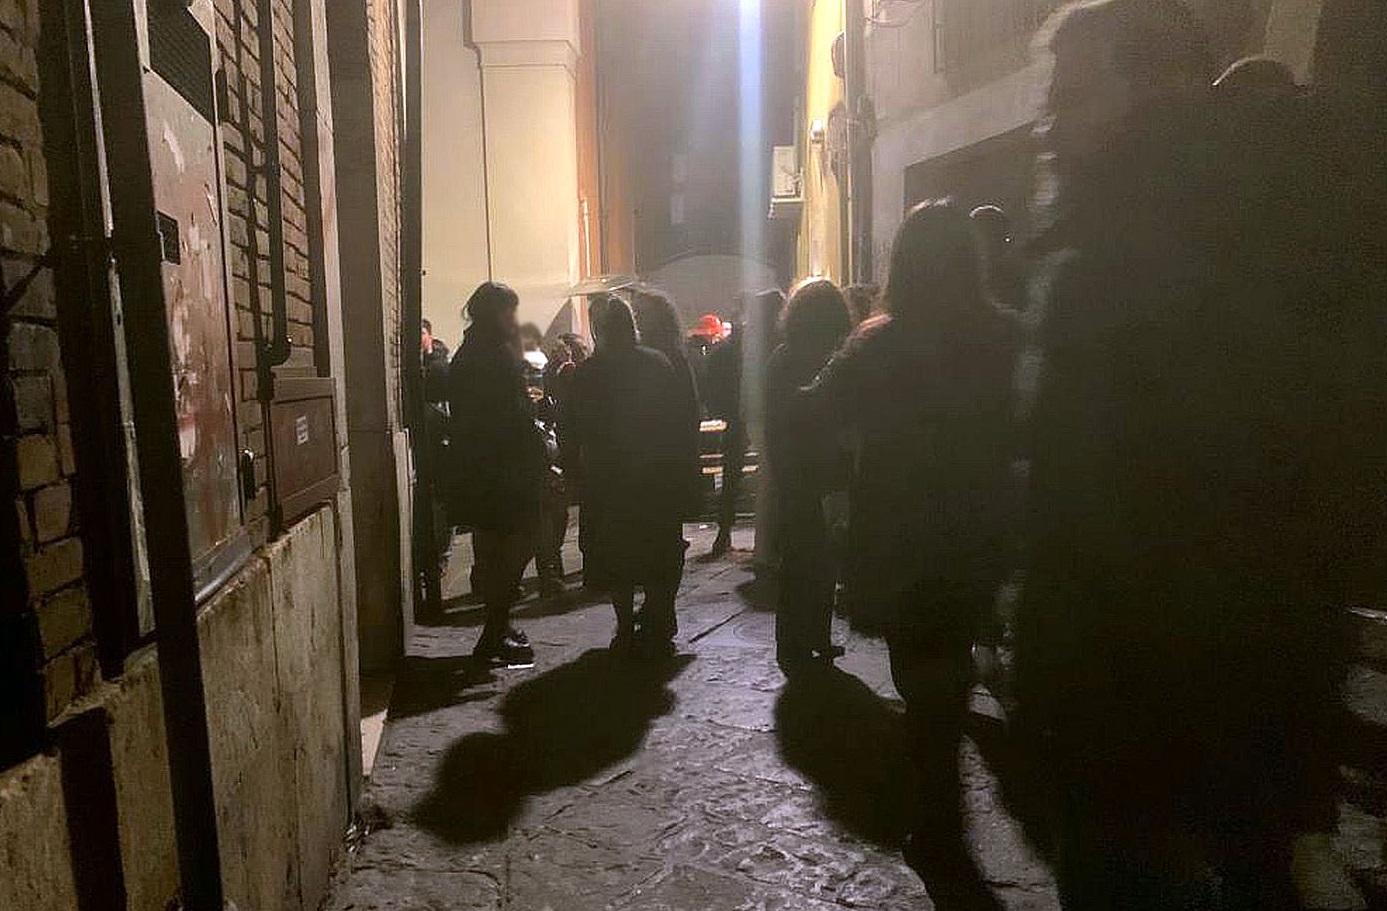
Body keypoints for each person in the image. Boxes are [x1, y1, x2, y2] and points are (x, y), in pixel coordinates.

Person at [1015, 2, 1355, 906]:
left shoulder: (1152, 255)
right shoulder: (1179, 235)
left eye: (1070, 94)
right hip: (1205, 726)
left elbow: (1159, 511)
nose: (1047, 123)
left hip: (1149, 728)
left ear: (1156, 91)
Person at [799, 201, 1017, 905]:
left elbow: (815, 411)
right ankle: (939, 814)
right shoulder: (1003, 336)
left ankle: (937, 820)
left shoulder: (879, 343)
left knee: (922, 681)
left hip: (901, 540)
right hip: (973, 536)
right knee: (943, 676)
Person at [570, 296, 688, 655]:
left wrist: (578, 472)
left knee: (617, 556)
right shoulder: (657, 364)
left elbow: (575, 427)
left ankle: (624, 626)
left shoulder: (588, 373)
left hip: (609, 478)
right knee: (659, 550)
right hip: (654, 475)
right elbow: (677, 419)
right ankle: (660, 617)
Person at [447, 282, 543, 667]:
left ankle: (499, 625)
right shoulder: (494, 355)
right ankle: (493, 632)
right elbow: (511, 416)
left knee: (493, 549)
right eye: (509, 311)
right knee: (517, 544)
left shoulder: (469, 351)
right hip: (503, 468)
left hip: (481, 467)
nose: (514, 319)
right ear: (496, 313)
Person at [764, 278, 852, 677]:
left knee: (812, 559)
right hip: (811, 472)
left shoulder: (786, 359)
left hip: (807, 471)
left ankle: (808, 636)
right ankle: (801, 638)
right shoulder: (802, 360)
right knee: (810, 559)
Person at [631, 289, 703, 521]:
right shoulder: (667, 356)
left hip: (664, 451)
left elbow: (686, 409)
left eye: (642, 314)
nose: (637, 319)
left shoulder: (669, 358)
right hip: (657, 451)